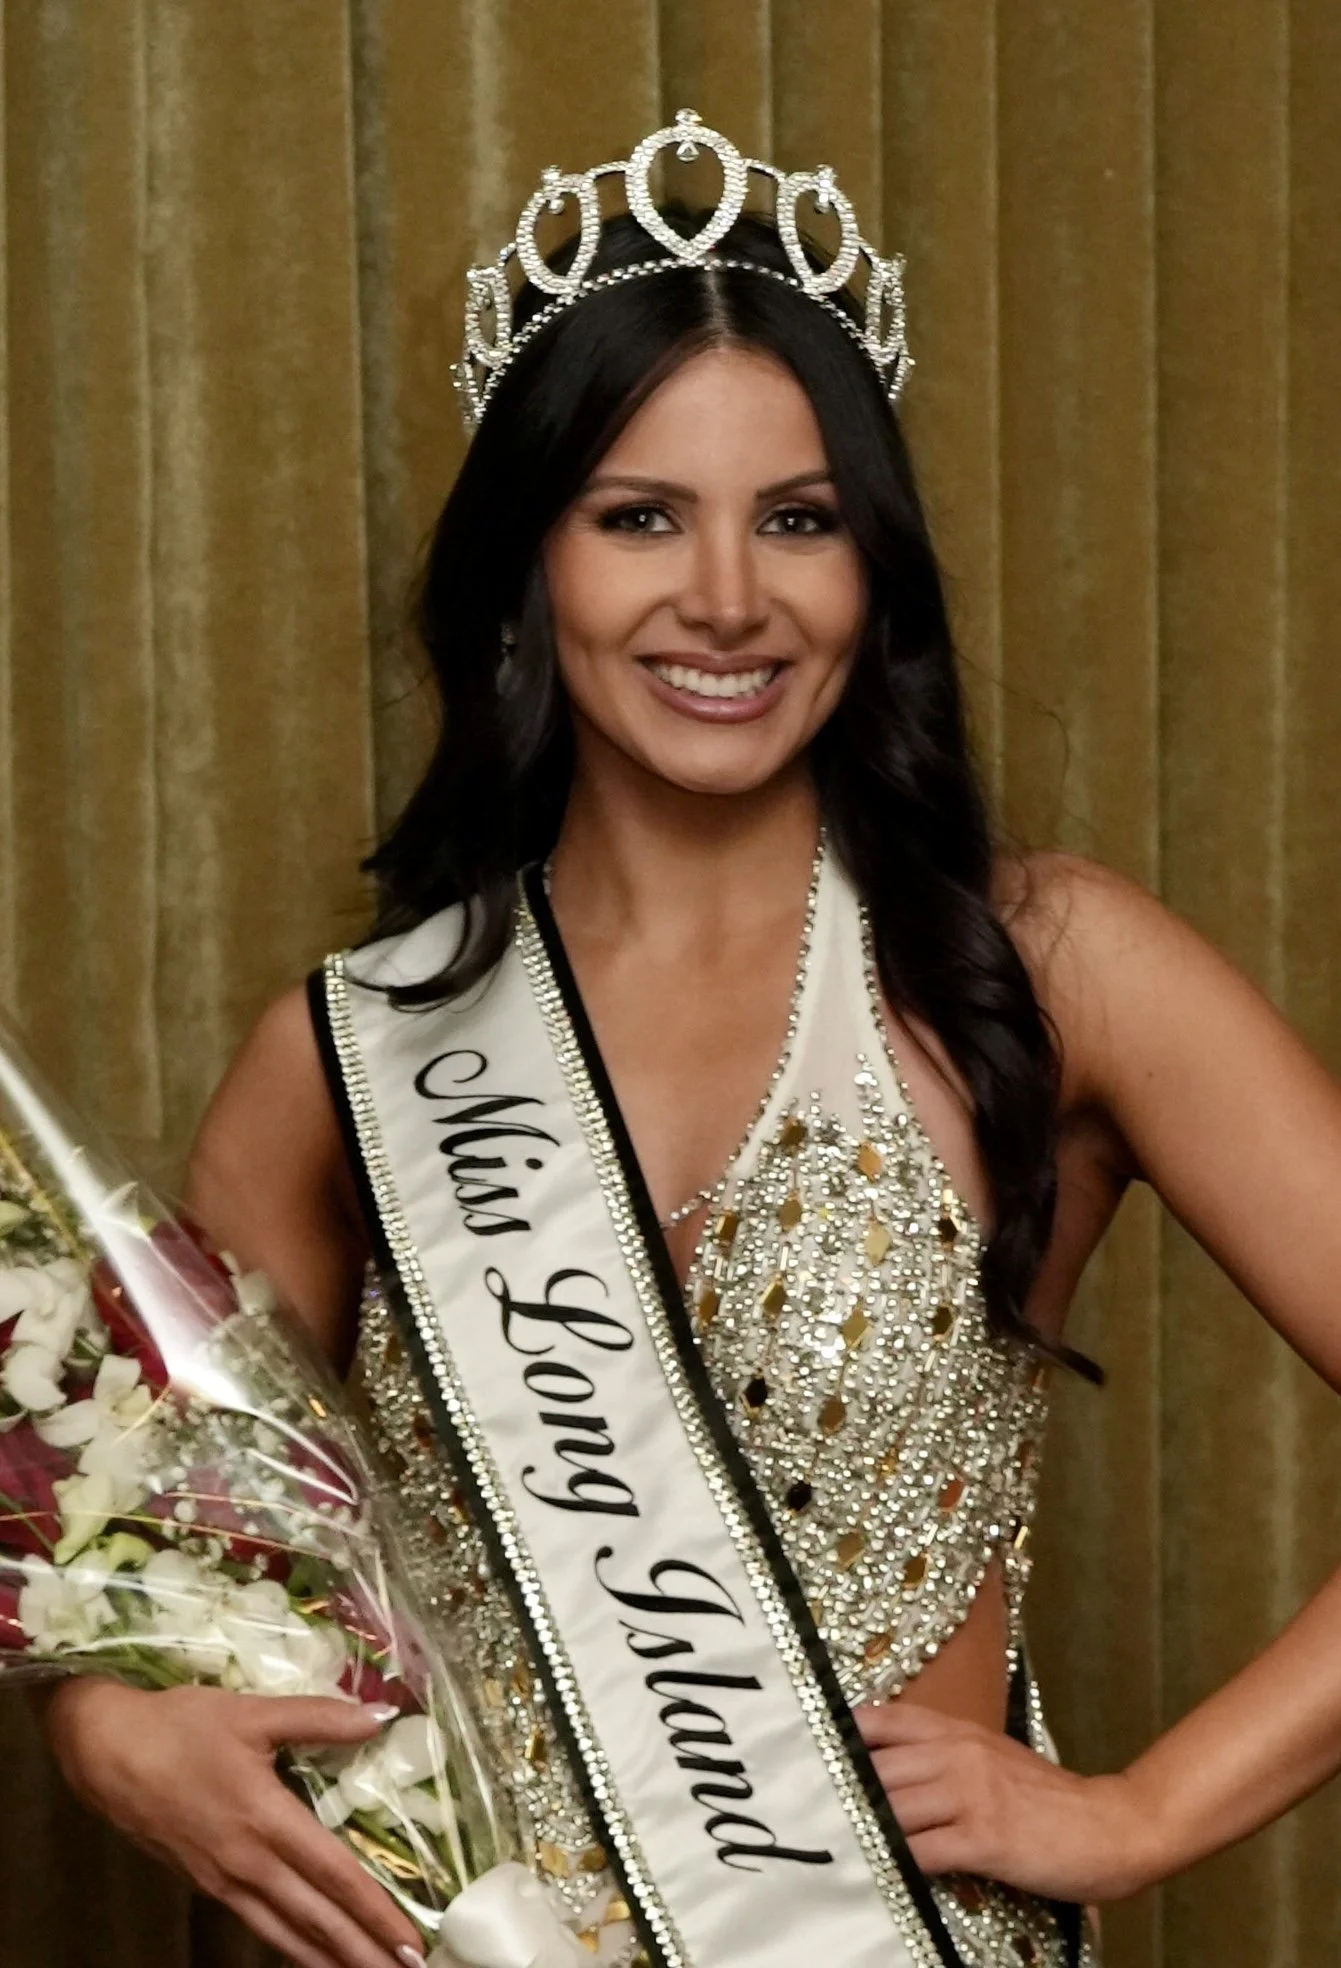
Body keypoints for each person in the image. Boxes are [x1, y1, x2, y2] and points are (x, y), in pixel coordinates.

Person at [33, 112, 1341, 1968]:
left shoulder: (1044, 968)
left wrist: (1144, 1813)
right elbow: (188, 1582)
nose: (726, 596)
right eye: (637, 516)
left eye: (798, 519)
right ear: (527, 563)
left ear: (873, 565)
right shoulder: (349, 1059)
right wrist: (103, 1721)